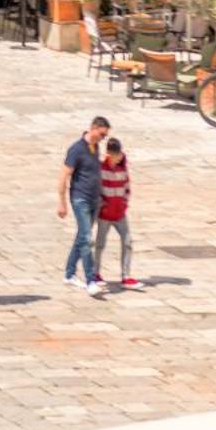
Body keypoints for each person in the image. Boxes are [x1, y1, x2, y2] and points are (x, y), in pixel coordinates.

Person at [59, 115, 110, 295]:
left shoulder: (95, 148)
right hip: (80, 199)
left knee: (82, 236)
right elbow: (64, 175)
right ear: (93, 128)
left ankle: (69, 273)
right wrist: (62, 202)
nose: (103, 139)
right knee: (87, 239)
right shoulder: (76, 150)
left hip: (94, 199)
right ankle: (90, 281)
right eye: (102, 134)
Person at [94, 135, 138, 288]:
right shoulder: (100, 169)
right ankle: (95, 273)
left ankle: (126, 275)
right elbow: (96, 190)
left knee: (128, 242)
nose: (118, 158)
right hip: (104, 215)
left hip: (120, 214)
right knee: (100, 244)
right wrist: (102, 205)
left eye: (119, 156)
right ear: (108, 154)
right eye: (115, 156)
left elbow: (127, 188)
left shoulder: (122, 168)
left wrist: (124, 204)